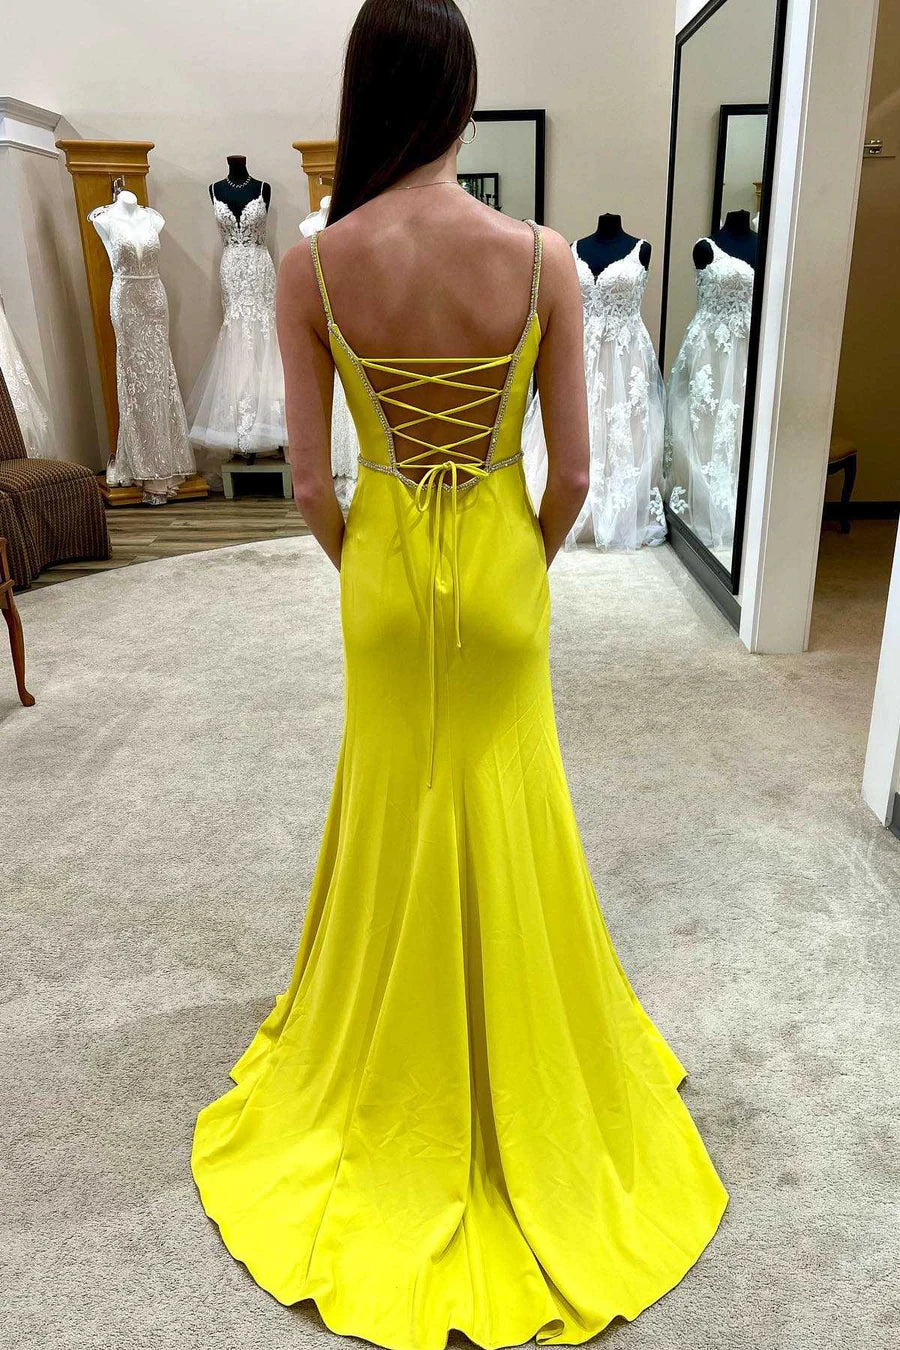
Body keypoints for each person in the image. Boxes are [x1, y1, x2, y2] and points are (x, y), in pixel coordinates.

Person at [190, 3, 728, 1346]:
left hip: (382, 572)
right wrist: (513, 563)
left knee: (394, 792)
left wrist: (372, 565)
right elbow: (580, 475)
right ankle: (521, 1073)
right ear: (463, 98)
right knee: (508, 791)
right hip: (497, 562)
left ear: (366, 95)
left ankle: (393, 1062)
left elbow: (309, 486)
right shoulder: (541, 257)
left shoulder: (314, 266)